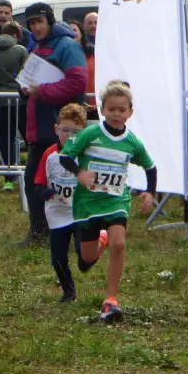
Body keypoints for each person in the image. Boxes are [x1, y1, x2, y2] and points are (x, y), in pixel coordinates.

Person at [60, 81, 157, 322]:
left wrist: (150, 192)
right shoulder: (90, 135)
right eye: (112, 109)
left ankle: (111, 299)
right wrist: (80, 173)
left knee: (120, 245)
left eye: (122, 110)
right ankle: (99, 241)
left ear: (130, 112)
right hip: (88, 202)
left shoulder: (132, 142)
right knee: (88, 258)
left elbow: (150, 167)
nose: (116, 114)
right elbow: (65, 156)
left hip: (116, 199)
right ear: (102, 109)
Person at [20, 3, 88, 248]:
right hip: (40, 127)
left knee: (60, 183)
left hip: (60, 130)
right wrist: (25, 89)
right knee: (34, 183)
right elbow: (32, 82)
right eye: (32, 23)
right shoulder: (38, 47)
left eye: (40, 21)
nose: (36, 26)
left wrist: (43, 90)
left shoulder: (68, 46)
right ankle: (40, 231)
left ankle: (63, 233)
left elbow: (77, 84)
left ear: (49, 20)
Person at [35, 103, 87, 303]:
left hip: (81, 211)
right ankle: (69, 291)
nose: (70, 136)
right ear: (57, 130)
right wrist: (46, 192)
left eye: (76, 132)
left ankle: (96, 243)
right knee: (57, 258)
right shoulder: (50, 155)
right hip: (57, 212)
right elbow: (38, 184)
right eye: (65, 130)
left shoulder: (86, 155)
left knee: (84, 255)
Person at [0, 22, 29, 191]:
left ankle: (8, 178)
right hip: (21, 100)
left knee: (5, 139)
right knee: (28, 137)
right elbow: (28, 73)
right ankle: (31, 172)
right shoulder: (21, 50)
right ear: (16, 35)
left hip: (1, 100)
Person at [67, 19, 97, 111]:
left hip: (93, 104)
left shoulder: (93, 52)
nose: (71, 33)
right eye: (68, 30)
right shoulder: (63, 54)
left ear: (81, 33)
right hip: (71, 106)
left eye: (74, 30)